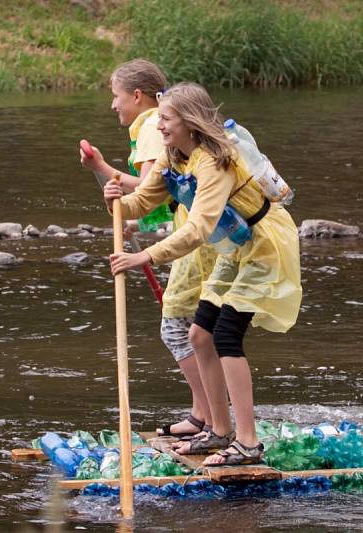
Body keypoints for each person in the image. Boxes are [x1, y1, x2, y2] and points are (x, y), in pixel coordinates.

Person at [104, 82, 302, 465]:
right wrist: (117, 201)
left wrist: (143, 255)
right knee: (199, 333)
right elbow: (145, 199)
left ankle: (248, 443)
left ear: (189, 122)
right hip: (234, 245)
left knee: (227, 335)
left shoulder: (215, 161)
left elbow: (196, 230)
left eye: (165, 119)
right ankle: (219, 430)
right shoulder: (174, 154)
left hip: (265, 244)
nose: (158, 126)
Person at [80, 59, 215, 439]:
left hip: (196, 242)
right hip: (190, 233)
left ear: (137, 96)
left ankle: (206, 415)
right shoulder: (159, 127)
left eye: (116, 96)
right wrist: (137, 220)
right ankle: (203, 413)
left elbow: (145, 187)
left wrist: (101, 167)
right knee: (190, 329)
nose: (113, 105)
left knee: (178, 327)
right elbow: (165, 194)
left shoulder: (154, 129)